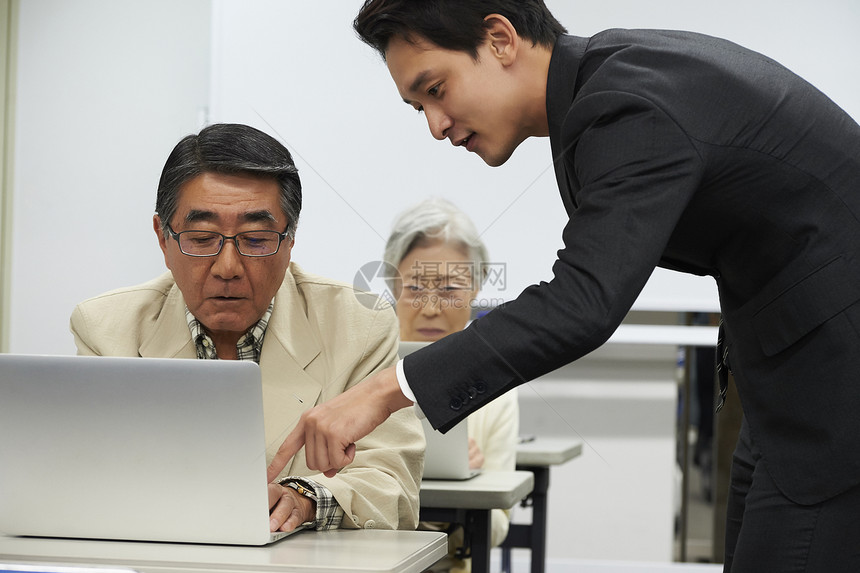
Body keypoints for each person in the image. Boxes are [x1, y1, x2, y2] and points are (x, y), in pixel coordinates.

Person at [268, 2, 860, 570]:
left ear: (500, 39)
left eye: (437, 90)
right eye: (417, 106)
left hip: (832, 372)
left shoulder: (625, 104)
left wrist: (379, 393)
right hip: (791, 372)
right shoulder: (609, 85)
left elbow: (582, 301)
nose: (435, 126)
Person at [70, 122, 424, 534]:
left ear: (290, 240)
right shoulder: (106, 329)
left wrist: (304, 500)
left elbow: (392, 486)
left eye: (256, 239)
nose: (227, 268)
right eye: (201, 238)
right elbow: (84, 477)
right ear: (162, 239)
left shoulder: (358, 325)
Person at [384, 197, 518, 572]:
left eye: (448, 289)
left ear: (476, 289)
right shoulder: (360, 366)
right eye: (414, 288)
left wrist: (472, 486)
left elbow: (496, 529)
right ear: (393, 287)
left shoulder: (499, 382)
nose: (430, 308)